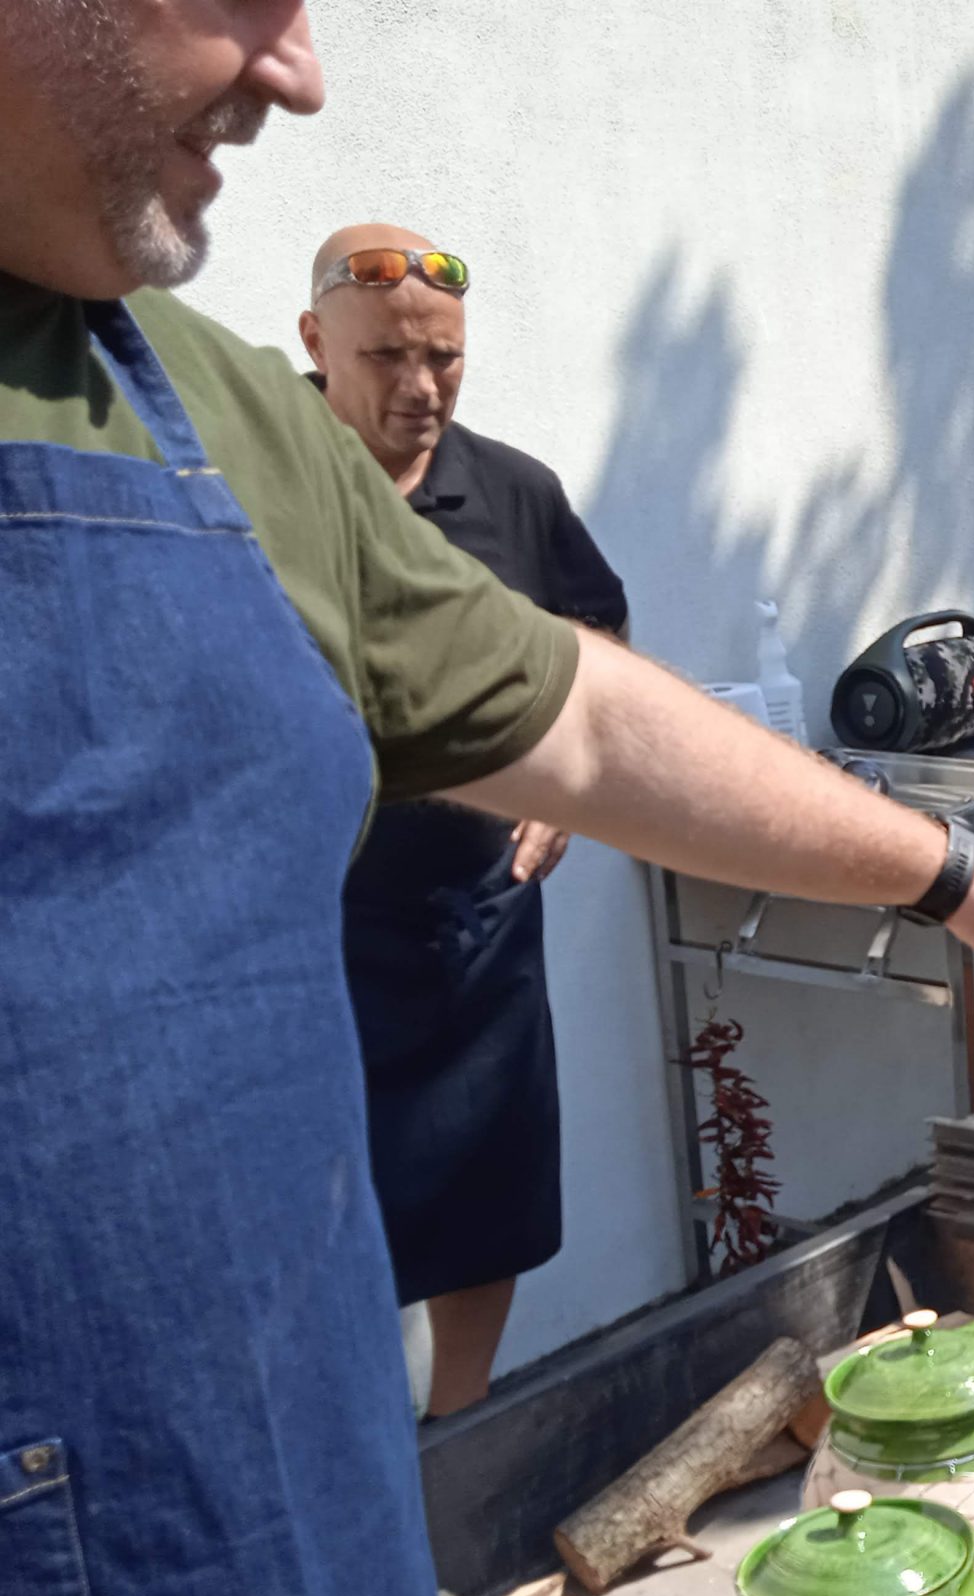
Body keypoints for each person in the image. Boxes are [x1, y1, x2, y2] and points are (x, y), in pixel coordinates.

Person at [0, 8, 974, 1596]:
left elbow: (588, 717)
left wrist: (949, 871)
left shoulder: (204, 410)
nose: (298, 72)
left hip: (296, 1511)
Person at [303, 222, 627, 1415]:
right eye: (386, 356)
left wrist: (568, 790)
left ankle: (462, 1422)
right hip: (309, 920)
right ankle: (358, 1442)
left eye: (443, 356)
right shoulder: (253, 478)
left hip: (476, 914)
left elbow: (593, 635)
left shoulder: (510, 490)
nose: (421, 385)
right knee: (326, 1199)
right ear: (315, 343)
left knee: (484, 1189)